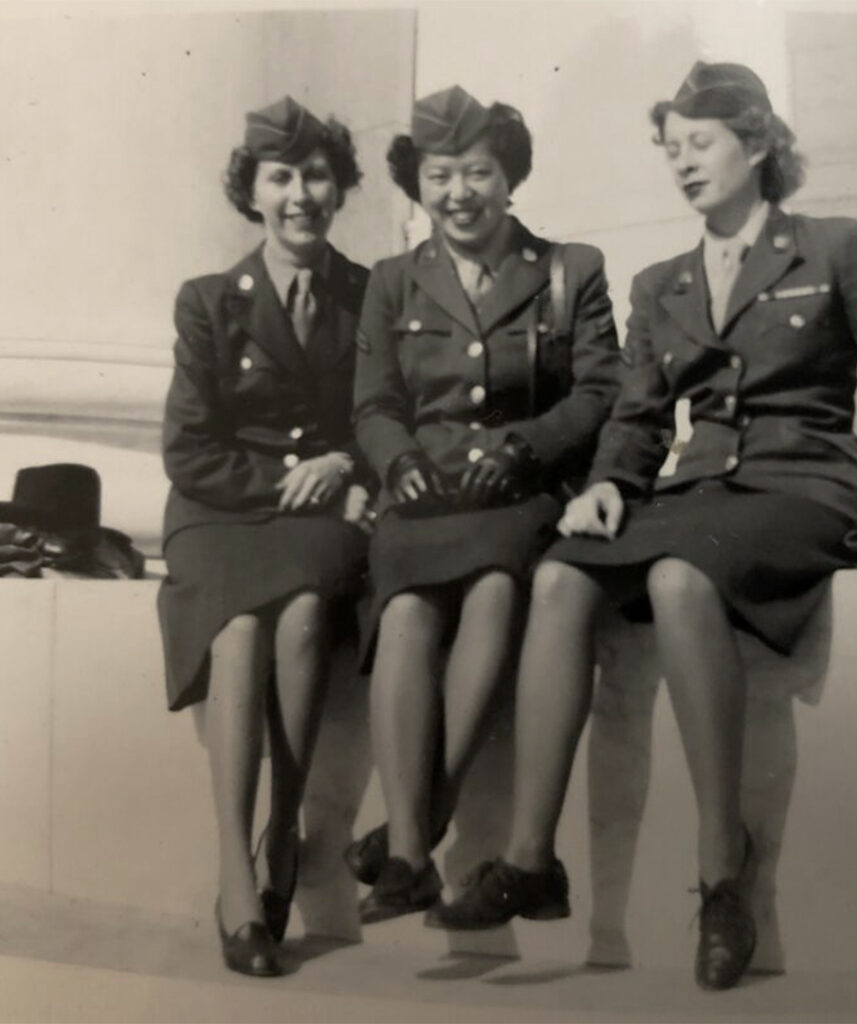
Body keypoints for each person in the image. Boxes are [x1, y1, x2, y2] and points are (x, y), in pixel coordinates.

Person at [427, 62, 857, 990]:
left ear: (760, 144)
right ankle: (532, 859)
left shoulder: (835, 245)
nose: (681, 163)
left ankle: (721, 877)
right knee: (566, 573)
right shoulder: (662, 284)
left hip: (807, 489)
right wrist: (612, 482)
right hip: (699, 494)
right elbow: (643, 419)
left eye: (700, 144)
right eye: (670, 149)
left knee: (679, 576)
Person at [348, 85, 621, 923]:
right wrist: (396, 463)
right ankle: (408, 858)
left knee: (498, 590)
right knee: (403, 614)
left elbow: (602, 387)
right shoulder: (394, 281)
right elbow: (374, 404)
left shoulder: (570, 269)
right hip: (425, 495)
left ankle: (411, 833)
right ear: (417, 183)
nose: (458, 193)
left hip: (516, 491)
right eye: (439, 175)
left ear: (510, 178)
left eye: (477, 172)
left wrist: (529, 447)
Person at [157, 96, 372, 977]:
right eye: (280, 178)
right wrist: (297, 484)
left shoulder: (372, 292)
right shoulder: (210, 302)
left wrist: (346, 461)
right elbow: (187, 450)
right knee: (239, 629)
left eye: (315, 175)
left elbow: (389, 413)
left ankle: (284, 826)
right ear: (251, 191)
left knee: (303, 619)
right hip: (223, 509)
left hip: (324, 515)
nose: (299, 196)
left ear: (339, 187)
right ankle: (237, 873)